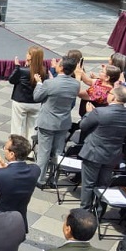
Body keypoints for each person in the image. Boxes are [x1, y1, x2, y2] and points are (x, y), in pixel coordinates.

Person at [78, 85, 126, 208]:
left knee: (88, 184)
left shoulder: (100, 112)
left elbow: (83, 125)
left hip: (94, 152)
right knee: (103, 184)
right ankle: (99, 209)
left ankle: (85, 210)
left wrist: (88, 113)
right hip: (113, 154)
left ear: (113, 97)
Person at [33, 56, 81, 185]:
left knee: (44, 151)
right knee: (59, 152)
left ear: (61, 68)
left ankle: (40, 179)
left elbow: (37, 97)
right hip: (63, 122)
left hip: (47, 122)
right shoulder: (76, 84)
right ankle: (54, 179)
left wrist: (39, 83)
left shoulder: (50, 83)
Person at [0, 134, 41, 227]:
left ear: (12, 154)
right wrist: (6, 166)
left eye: (5, 148)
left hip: (1, 221)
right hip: (19, 220)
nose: (4, 150)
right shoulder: (35, 170)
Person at [8, 46, 44, 140]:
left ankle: (17, 150)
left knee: (18, 128)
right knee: (33, 129)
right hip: (36, 103)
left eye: (28, 53)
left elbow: (12, 80)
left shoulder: (22, 71)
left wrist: (17, 67)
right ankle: (31, 152)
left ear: (30, 57)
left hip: (20, 102)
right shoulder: (43, 71)